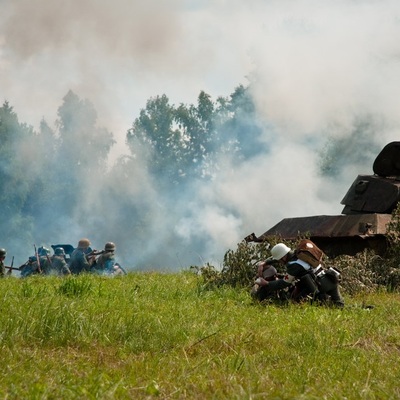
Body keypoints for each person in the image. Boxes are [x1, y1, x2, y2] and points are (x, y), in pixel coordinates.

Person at [260, 242, 344, 307]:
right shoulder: (299, 253)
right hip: (330, 278)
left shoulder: (293, 265)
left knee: (295, 300)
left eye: (280, 260)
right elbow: (279, 258)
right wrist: (266, 262)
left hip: (320, 285)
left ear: (283, 257)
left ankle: (324, 300)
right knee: (340, 306)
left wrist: (267, 284)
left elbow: (284, 283)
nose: (280, 262)